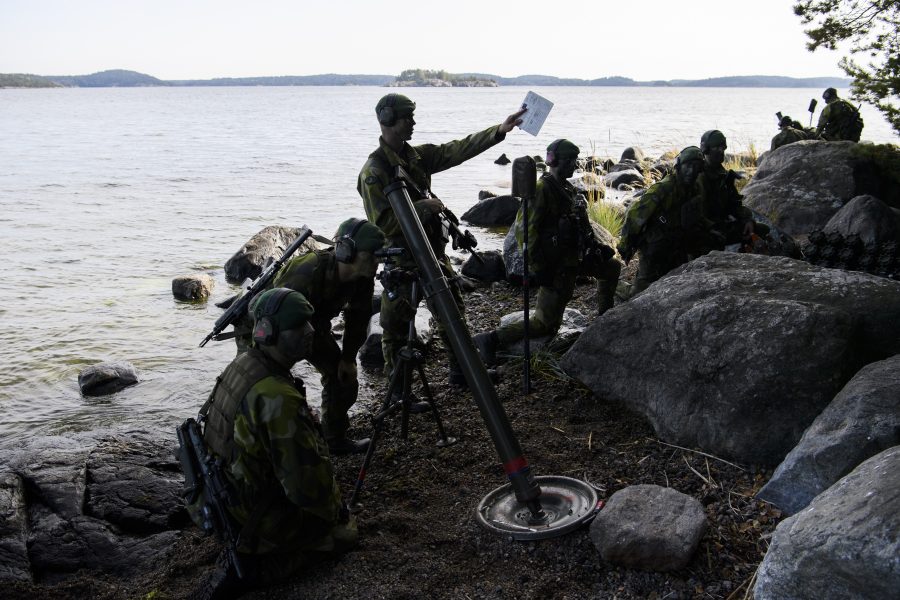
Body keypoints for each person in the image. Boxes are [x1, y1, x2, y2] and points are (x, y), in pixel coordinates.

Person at [357, 92, 525, 387]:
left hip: (432, 254)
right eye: (407, 117)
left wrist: (499, 131)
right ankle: (398, 392)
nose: (413, 122)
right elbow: (381, 225)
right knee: (396, 329)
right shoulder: (374, 172)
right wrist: (423, 208)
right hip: (403, 260)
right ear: (387, 120)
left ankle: (463, 372)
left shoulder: (416, 157)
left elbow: (456, 150)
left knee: (454, 316)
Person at [197, 288, 356, 597]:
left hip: (225, 496)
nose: (311, 331)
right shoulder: (277, 397)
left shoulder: (244, 364)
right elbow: (309, 490)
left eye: (309, 323)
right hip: (252, 518)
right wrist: (338, 511)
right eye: (298, 326)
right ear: (269, 333)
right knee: (344, 534)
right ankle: (265, 567)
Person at [232, 218, 385, 455]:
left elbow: (358, 318)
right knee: (258, 387)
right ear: (347, 252)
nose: (377, 262)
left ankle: (334, 439)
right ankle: (245, 446)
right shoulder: (306, 271)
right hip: (261, 329)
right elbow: (268, 318)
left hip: (310, 326)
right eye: (371, 255)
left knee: (342, 379)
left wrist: (348, 357)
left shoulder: (362, 277)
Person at [472, 139, 619, 365]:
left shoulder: (566, 189)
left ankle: (603, 319)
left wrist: (596, 247)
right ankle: (491, 339)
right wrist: (538, 268)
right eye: (570, 160)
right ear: (555, 161)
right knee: (545, 324)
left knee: (611, 268)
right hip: (554, 265)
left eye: (575, 160)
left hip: (573, 258)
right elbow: (524, 232)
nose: (574, 165)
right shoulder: (542, 190)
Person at [617, 146, 711, 295]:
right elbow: (635, 216)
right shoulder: (664, 188)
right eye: (688, 166)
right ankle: (619, 287)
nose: (691, 171)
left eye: (696, 167)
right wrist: (625, 245)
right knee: (640, 292)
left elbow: (696, 216)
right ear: (679, 165)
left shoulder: (694, 189)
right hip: (655, 245)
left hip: (678, 242)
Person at [697, 129, 766, 249]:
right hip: (705, 232)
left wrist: (747, 220)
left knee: (762, 229)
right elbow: (697, 215)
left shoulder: (723, 175)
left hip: (721, 225)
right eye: (716, 148)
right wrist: (711, 230)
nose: (721, 151)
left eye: (723, 148)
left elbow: (734, 204)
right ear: (706, 150)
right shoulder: (699, 177)